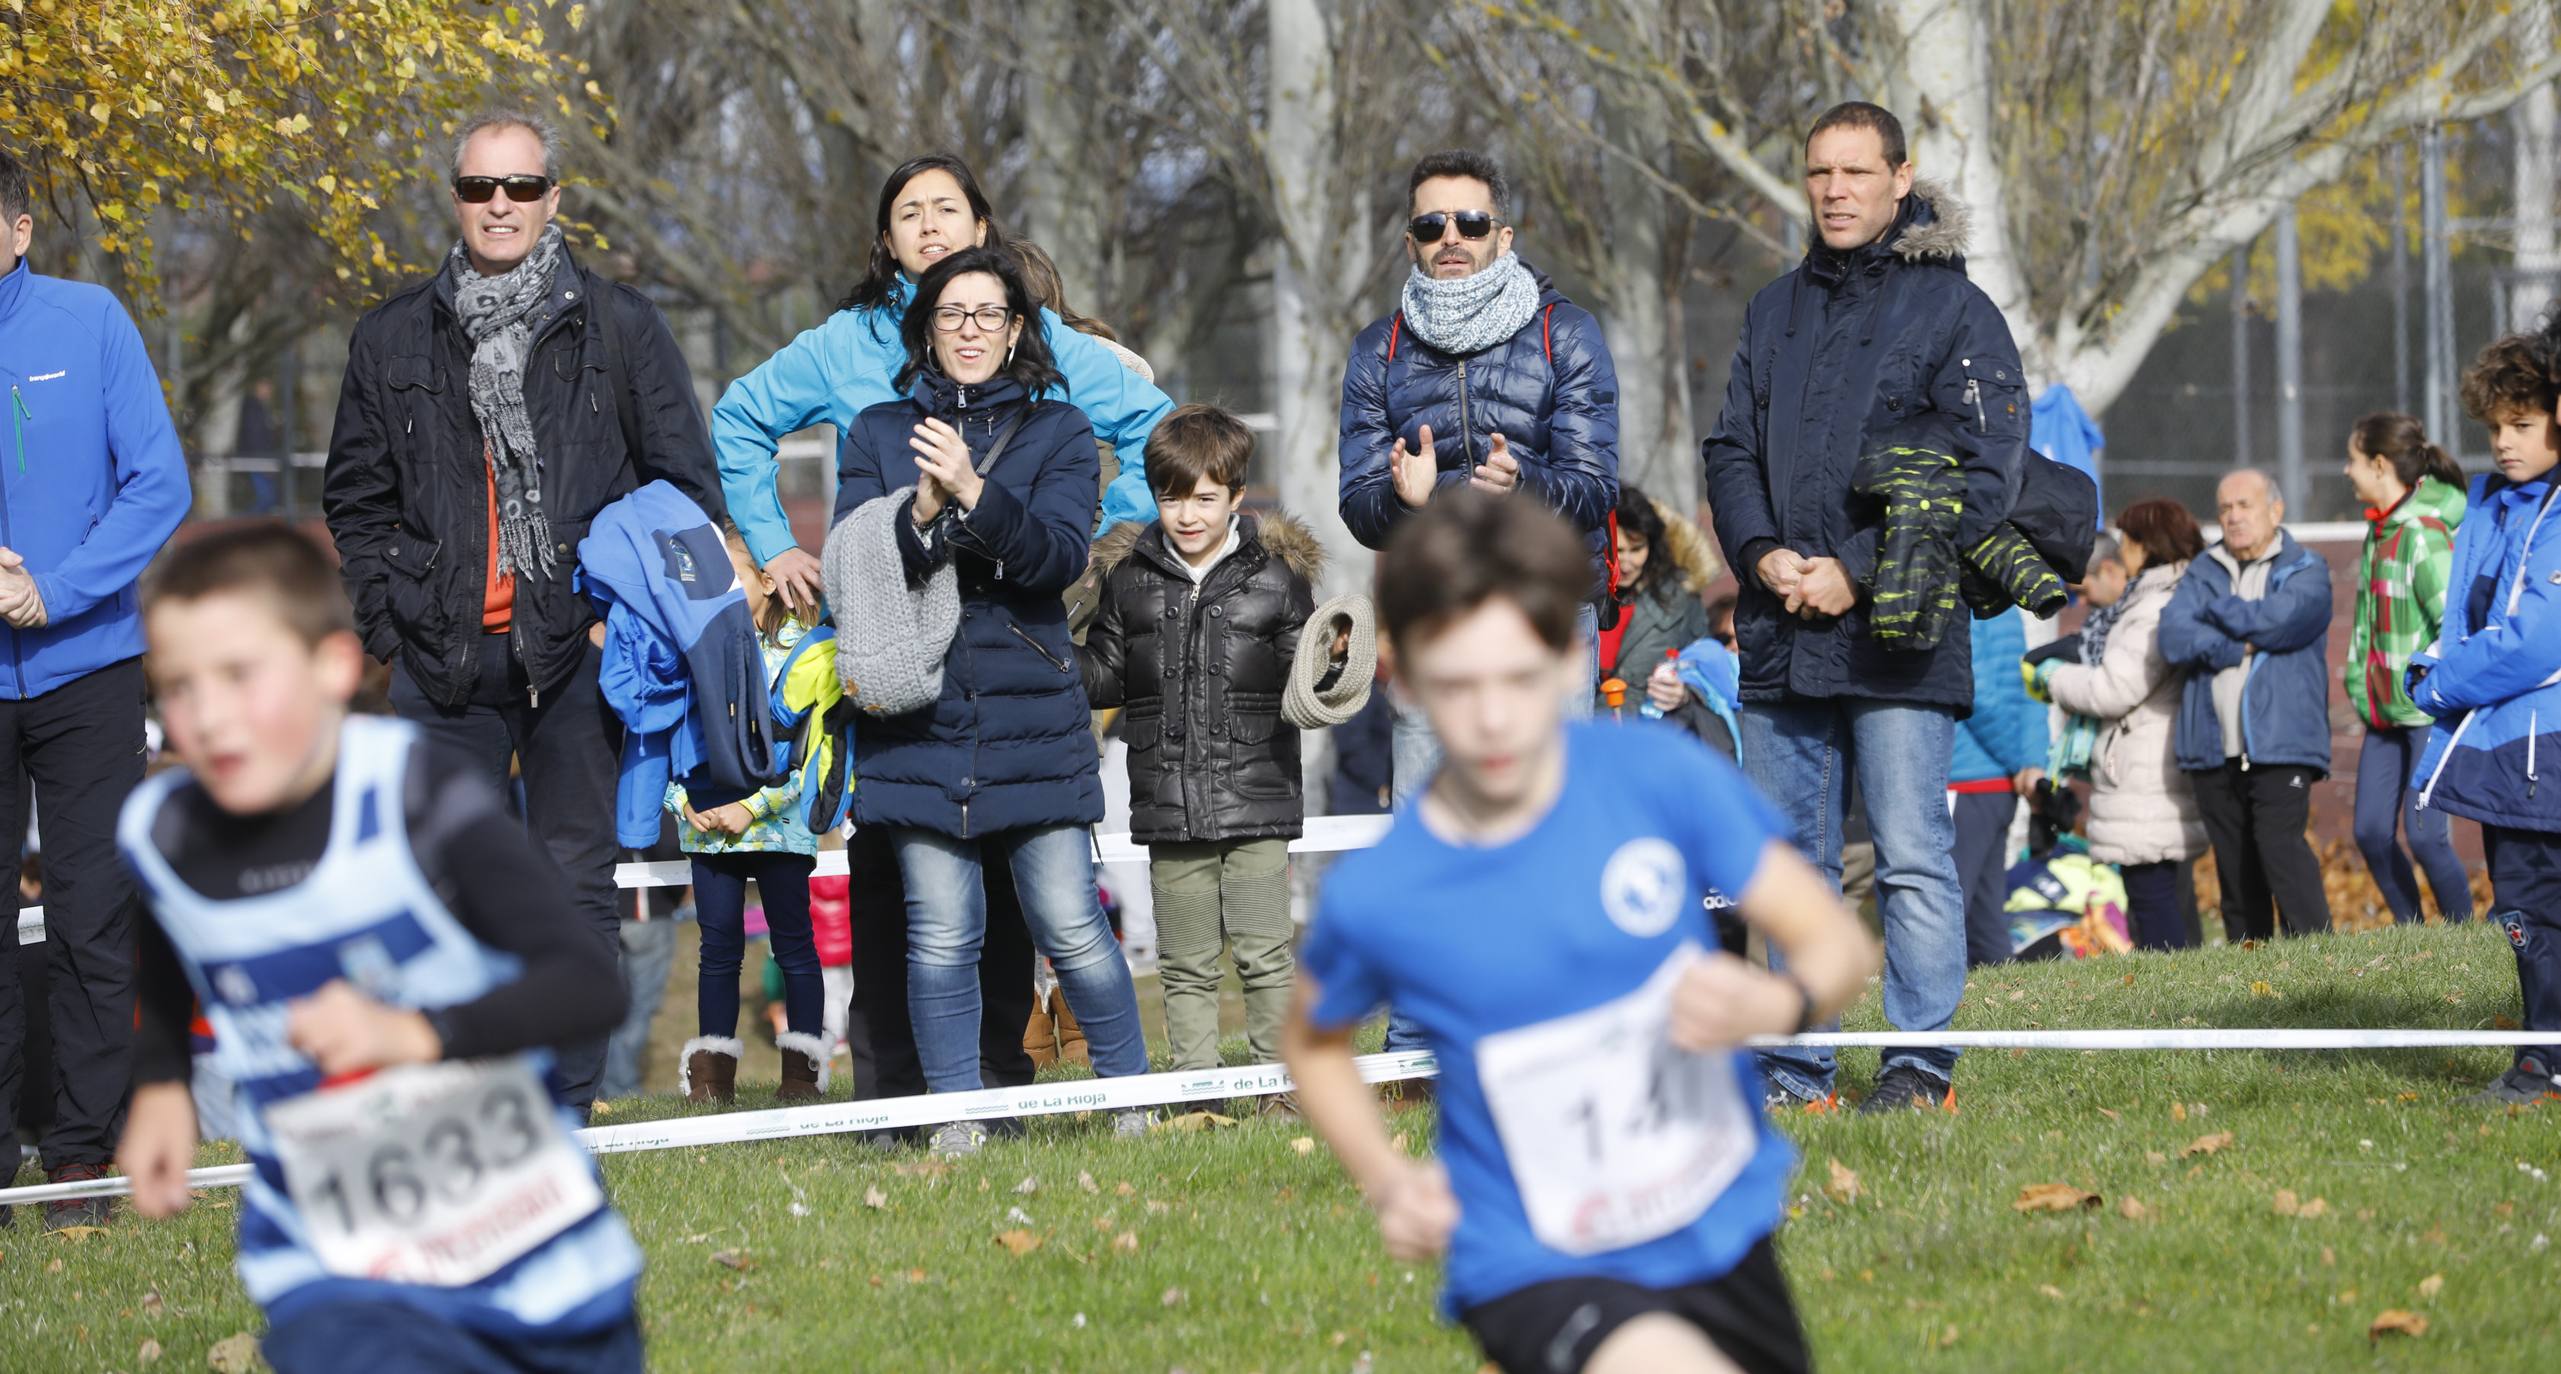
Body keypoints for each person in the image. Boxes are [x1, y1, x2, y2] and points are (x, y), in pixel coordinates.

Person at [1284, 491, 1877, 1374]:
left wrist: (1776, 995)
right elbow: (1313, 1041)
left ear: (1567, 658)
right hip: (1532, 1257)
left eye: (1517, 678)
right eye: (1455, 683)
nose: (1490, 719)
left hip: (1713, 1219)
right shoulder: (1385, 890)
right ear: (1399, 675)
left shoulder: (1655, 779)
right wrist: (1388, 1178)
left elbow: (1836, 944)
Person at [114, 526, 643, 1372]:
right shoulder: (163, 833)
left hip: (535, 1262)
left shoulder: (411, 794)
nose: (207, 717)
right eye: (177, 686)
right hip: (333, 1270)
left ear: (333, 667)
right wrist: (161, 1082)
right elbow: (175, 949)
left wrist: (416, 1036)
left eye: (240, 676)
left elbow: (587, 986)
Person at [321, 111, 726, 1115]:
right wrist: (386, 627)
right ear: (454, 198)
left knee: (572, 886)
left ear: (554, 196)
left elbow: (683, 488)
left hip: (576, 653)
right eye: (477, 188)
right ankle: (462, 1094)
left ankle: (569, 1102)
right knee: (437, 889)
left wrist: (615, 624)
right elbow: (355, 499)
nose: (497, 206)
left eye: (517, 186)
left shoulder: (619, 324)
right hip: (438, 661)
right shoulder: (391, 335)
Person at [1701, 101, 2026, 1113]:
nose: (1834, 191)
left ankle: (1917, 1065)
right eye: (1816, 175)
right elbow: (1727, 450)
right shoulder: (1772, 308)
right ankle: (1795, 1067)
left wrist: (1855, 568)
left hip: (1898, 630)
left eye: (1854, 172)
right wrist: (1759, 556)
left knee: (1909, 856)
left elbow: (1984, 476)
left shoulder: (1954, 312)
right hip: (1778, 631)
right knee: (1789, 867)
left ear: (1899, 177)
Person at [826, 245, 1151, 1156]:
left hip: (1028, 710)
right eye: (950, 314)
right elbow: (851, 568)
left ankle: (1133, 1098)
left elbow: (1054, 559)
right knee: (939, 933)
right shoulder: (877, 430)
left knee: (1068, 922)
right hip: (914, 714)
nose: (969, 331)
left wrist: (972, 490)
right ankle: (954, 1118)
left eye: (988, 315)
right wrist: (918, 515)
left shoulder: (1059, 431)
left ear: (1016, 331)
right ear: (925, 329)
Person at [1336, 147, 1621, 1070]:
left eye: (1467, 223)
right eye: (1429, 225)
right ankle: (1423, 1041)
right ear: (1411, 240)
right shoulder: (1376, 350)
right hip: (1435, 616)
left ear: (1504, 233)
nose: (1448, 240)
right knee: (1428, 827)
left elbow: (1593, 486)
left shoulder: (1563, 333)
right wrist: (1405, 502)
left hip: (1543, 614)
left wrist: (1523, 482)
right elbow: (1357, 504)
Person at [712, 154, 1176, 615]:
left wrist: (1114, 541)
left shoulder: (1038, 332)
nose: (929, 225)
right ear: (889, 242)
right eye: (910, 214)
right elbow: (739, 419)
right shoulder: (846, 343)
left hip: (1018, 616)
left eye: (946, 209)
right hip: (889, 621)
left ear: (980, 229)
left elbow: (1154, 424)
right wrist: (774, 545)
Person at [0, 143, 194, 1229]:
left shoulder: (90, 321)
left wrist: (56, 592)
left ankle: (78, 1160)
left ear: (20, 228)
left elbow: (158, 482)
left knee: (87, 918)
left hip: (87, 670)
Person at [1080, 404, 1361, 1087]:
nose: (1187, 514)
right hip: (1167, 802)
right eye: (1172, 498)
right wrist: (1052, 649)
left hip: (1258, 795)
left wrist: (1333, 659)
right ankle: (1194, 1093)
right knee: (1184, 963)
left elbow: (1308, 680)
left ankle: (1277, 1092)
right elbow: (1101, 678)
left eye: (1205, 497)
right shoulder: (1128, 578)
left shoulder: (1275, 577)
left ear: (1236, 495)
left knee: (1266, 956)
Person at [2416, 334, 2561, 1106]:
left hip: (2546, 746)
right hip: (2506, 746)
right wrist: (2432, 664)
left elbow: (2537, 638)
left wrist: (2437, 685)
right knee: (2523, 911)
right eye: (2495, 425)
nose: (2504, 441)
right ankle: (2542, 1059)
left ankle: (2543, 1066)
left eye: (2524, 423)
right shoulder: (2493, 502)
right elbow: (2468, 616)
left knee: (2533, 910)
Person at [671, 523, 828, 1104]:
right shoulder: (695, 648)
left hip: (780, 829)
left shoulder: (810, 650)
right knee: (717, 952)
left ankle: (801, 1077)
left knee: (794, 947)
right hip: (708, 828)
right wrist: (682, 803)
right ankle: (712, 1082)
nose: (722, 590)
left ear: (766, 578)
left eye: (732, 576)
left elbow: (811, 758)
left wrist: (751, 807)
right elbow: (670, 738)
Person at [2158, 469, 2334, 939]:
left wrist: (2218, 612)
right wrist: (2240, 645)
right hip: (2211, 747)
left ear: (2275, 510)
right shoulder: (2203, 569)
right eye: (2224, 508)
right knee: (2234, 869)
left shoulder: (2307, 568)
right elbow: (2174, 636)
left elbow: (2282, 621)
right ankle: (2251, 978)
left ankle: (2319, 963)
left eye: (2245, 505)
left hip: (2283, 742)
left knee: (2281, 850)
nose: (2233, 517)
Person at [2032, 501, 2210, 950]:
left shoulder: (2154, 607)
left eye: (2128, 540)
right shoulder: (2154, 599)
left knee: (2153, 894)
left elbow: (2114, 688)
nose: (2123, 548)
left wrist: (2055, 677)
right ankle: (2172, 988)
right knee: (2154, 892)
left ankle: (2170, 995)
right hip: (2141, 765)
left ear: (2146, 545)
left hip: (2145, 769)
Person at [2341, 413, 2473, 926]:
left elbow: (2454, 625)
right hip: (2383, 713)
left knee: (2425, 837)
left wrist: (2427, 685)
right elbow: (2365, 625)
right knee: (2371, 832)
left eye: (2352, 461)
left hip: (2423, 716)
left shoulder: (2422, 533)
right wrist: (2359, 680)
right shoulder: (2378, 531)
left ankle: (2466, 936)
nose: (2346, 472)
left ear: (2379, 465)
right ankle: (2411, 933)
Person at [1949, 609, 2047, 967]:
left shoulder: (1966, 603)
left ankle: (1933, 1006)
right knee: (1985, 914)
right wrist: (2030, 761)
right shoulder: (2008, 606)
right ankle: (2007, 999)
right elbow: (2029, 693)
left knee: (1948, 908)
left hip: (1966, 776)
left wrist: (2018, 761)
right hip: (2000, 784)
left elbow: (1975, 691)